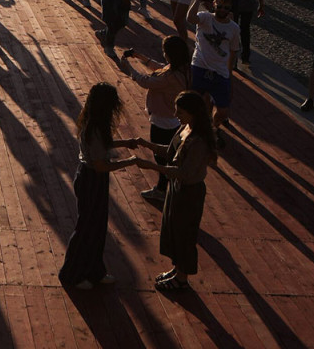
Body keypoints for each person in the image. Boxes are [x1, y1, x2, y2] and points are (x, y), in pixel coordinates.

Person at [131, 92, 218, 292]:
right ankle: (177, 269)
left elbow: (184, 173)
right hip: (177, 188)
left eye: (180, 111)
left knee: (184, 233)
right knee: (174, 229)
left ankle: (181, 278)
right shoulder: (185, 128)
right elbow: (169, 151)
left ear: (192, 112)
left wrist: (151, 167)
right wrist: (145, 144)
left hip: (189, 192)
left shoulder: (198, 141)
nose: (175, 114)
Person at [57, 82, 138, 290]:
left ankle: (94, 271)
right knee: (87, 228)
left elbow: (103, 147)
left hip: (90, 177)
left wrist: (125, 143)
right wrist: (131, 161)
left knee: (97, 226)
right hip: (92, 179)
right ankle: (72, 274)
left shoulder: (94, 123)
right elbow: (101, 165)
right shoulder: (95, 128)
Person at [119, 36, 190, 202]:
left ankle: (161, 189)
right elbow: (160, 68)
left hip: (162, 121)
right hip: (172, 120)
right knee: (170, 154)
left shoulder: (170, 77)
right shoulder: (182, 70)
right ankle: (168, 186)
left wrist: (129, 68)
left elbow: (147, 81)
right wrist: (140, 56)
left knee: (161, 157)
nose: (163, 54)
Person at [187, 0, 240, 145]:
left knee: (223, 110)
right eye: (220, 6)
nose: (222, 10)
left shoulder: (234, 28)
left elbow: (233, 51)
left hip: (220, 70)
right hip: (200, 66)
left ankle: (213, 127)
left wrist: (229, 74)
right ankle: (197, 129)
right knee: (196, 102)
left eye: (226, 8)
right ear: (214, 4)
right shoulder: (205, 18)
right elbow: (190, 18)